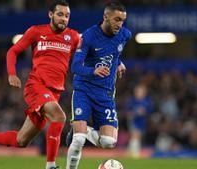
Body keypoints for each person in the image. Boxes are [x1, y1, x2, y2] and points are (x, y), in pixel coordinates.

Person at [0, 1, 80, 168]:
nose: (64, 19)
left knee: (21, 140)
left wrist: (116, 62)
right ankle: (51, 165)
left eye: (67, 15)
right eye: (60, 14)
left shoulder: (73, 37)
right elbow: (13, 51)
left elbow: (90, 51)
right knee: (59, 116)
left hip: (54, 93)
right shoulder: (36, 31)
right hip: (36, 86)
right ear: (50, 14)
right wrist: (12, 73)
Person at [66, 2, 131, 169]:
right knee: (78, 140)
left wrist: (118, 63)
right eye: (117, 19)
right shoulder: (88, 37)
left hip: (106, 94)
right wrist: (93, 70)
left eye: (122, 20)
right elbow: (75, 67)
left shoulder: (125, 34)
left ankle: (82, 130)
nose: (120, 24)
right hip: (84, 90)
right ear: (105, 17)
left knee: (109, 142)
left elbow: (115, 51)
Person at [127, 84, 153, 158]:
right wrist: (135, 113)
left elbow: (150, 111)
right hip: (134, 121)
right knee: (135, 135)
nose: (139, 93)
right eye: (138, 92)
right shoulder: (132, 101)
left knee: (138, 136)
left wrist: (144, 112)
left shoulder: (147, 101)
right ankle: (135, 153)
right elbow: (128, 112)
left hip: (142, 121)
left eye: (141, 92)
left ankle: (131, 151)